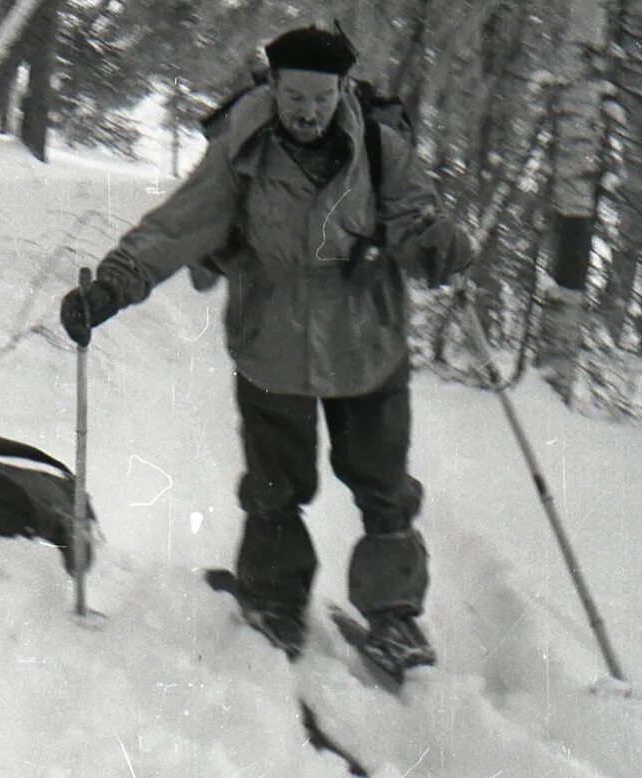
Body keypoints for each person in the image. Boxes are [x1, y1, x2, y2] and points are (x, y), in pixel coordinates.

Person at [59, 25, 474, 672]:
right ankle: (275, 604)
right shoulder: (241, 148)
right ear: (274, 87)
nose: (307, 112)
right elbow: (177, 226)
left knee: (383, 484)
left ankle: (395, 619)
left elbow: (416, 218)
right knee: (275, 484)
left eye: (321, 97)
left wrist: (438, 245)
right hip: (272, 335)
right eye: (294, 97)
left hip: (366, 335)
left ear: (342, 91)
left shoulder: (380, 147)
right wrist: (112, 287)